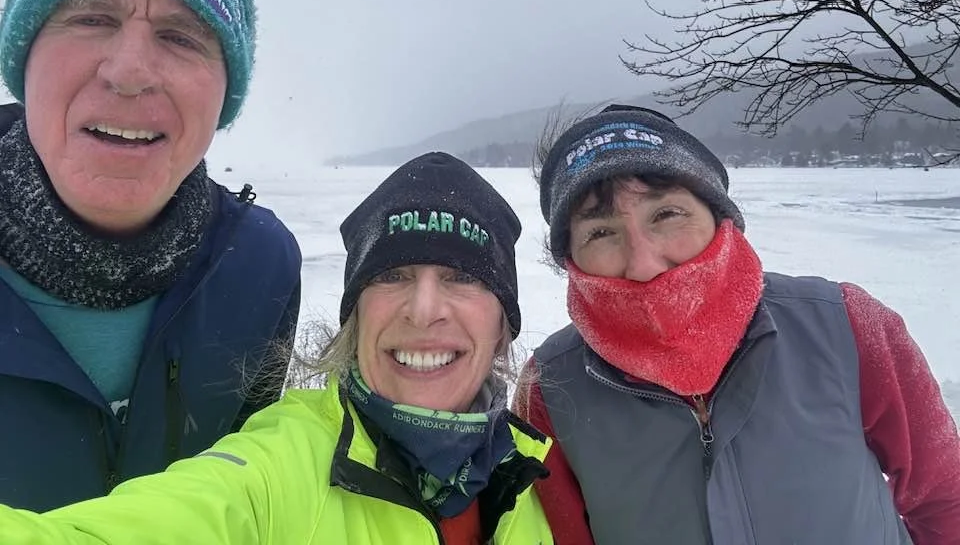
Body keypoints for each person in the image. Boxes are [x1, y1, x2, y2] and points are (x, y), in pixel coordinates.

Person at [0, 151, 553, 544]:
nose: (423, 309)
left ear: (502, 325)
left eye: (461, 277)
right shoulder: (279, 469)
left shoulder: (533, 479)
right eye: (393, 276)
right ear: (356, 319)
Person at [513, 104, 960, 545]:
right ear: (570, 258)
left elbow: (946, 498)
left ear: (718, 216)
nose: (644, 264)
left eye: (666, 215)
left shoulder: (846, 325)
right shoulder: (550, 390)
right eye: (600, 233)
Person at [0, 0, 301, 510]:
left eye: (180, 36)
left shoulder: (261, 267)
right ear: (23, 57)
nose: (130, 71)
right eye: (91, 19)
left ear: (226, 93)